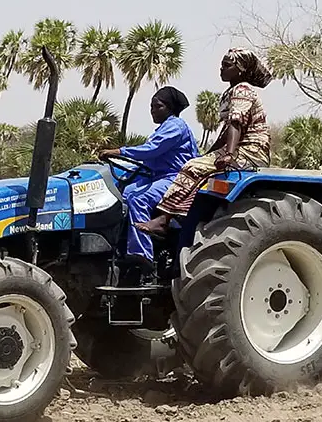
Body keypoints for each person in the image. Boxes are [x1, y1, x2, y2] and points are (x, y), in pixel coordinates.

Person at [135, 48, 273, 236]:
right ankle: (180, 217)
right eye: (221, 64)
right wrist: (208, 155)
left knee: (193, 167)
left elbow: (236, 124)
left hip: (251, 150)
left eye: (227, 65)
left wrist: (230, 154)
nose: (221, 68)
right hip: (237, 147)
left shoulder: (243, 90)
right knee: (195, 165)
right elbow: (226, 133)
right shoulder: (230, 92)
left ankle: (164, 220)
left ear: (240, 69)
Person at [98, 86, 199, 283]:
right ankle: (118, 247)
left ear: (169, 108)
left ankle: (142, 255)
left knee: (139, 198)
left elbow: (151, 150)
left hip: (176, 179)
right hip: (156, 177)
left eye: (157, 106)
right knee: (124, 195)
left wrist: (119, 152)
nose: (152, 110)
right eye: (151, 106)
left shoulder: (176, 126)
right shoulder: (162, 128)